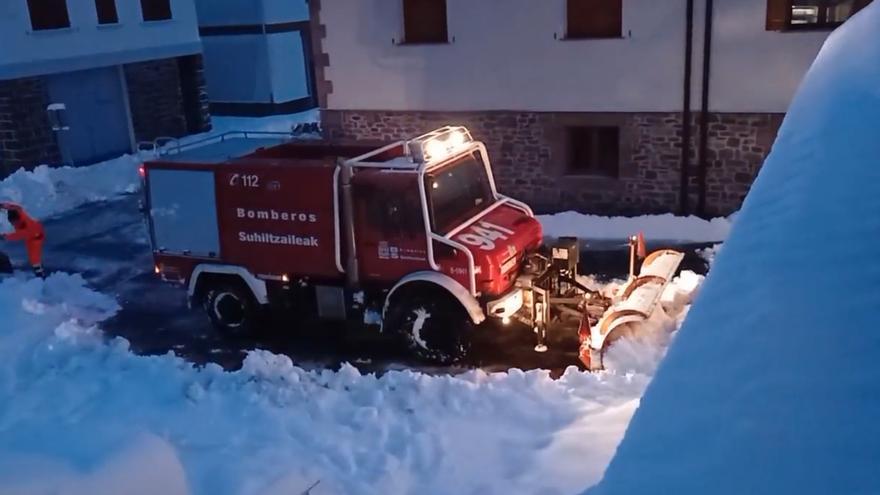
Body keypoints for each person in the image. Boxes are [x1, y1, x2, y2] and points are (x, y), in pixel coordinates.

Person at [0, 202, 45, 278]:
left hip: (35, 236)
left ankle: (40, 275)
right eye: (11, 222)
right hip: (30, 231)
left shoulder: (28, 228)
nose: (12, 224)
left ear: (17, 220)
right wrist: (3, 205)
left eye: (13, 222)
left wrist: (4, 237)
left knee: (34, 259)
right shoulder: (19, 212)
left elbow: (17, 235)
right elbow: (16, 207)